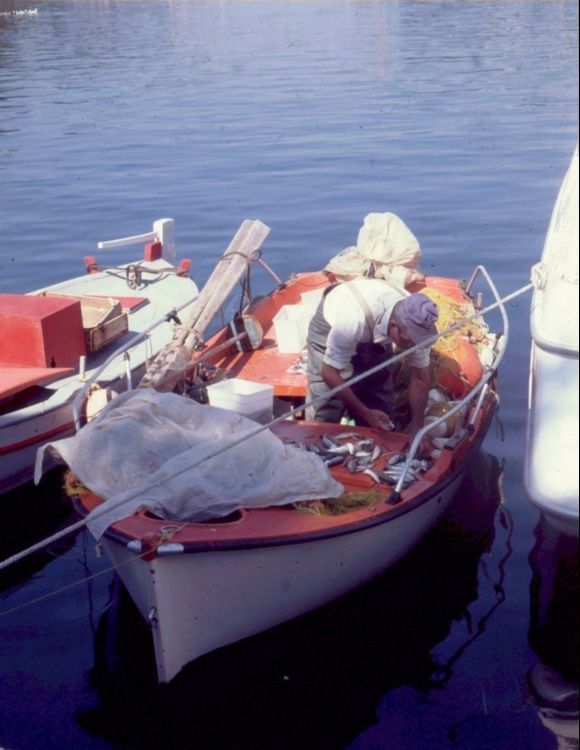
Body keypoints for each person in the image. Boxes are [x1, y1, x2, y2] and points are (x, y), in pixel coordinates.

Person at [306, 276, 439, 446]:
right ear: (393, 326)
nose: (413, 345)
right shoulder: (350, 320)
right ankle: (318, 445)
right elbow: (329, 372)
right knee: (328, 404)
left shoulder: (419, 330)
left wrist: (417, 426)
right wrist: (365, 413)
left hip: (375, 330)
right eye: (409, 341)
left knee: (379, 396)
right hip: (333, 326)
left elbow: (420, 378)